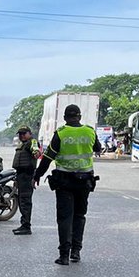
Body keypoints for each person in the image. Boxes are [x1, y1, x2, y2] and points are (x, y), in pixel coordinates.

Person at [34, 102, 102, 265]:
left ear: (64, 118)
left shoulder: (61, 133)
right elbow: (98, 148)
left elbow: (47, 158)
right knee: (79, 216)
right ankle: (76, 252)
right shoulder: (89, 131)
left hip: (64, 182)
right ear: (79, 117)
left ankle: (64, 255)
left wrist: (37, 175)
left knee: (65, 218)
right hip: (84, 182)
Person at [12, 126, 38, 236]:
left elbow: (36, 151)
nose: (21, 136)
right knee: (22, 200)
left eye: (24, 133)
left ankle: (26, 226)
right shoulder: (23, 144)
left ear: (29, 133)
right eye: (20, 134)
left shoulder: (32, 142)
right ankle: (24, 224)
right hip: (21, 176)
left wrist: (36, 152)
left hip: (27, 176)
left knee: (25, 201)